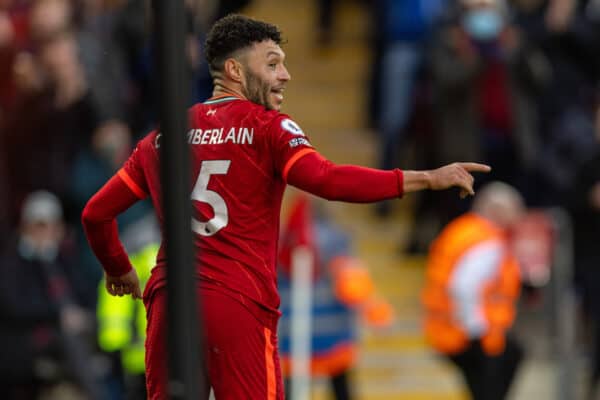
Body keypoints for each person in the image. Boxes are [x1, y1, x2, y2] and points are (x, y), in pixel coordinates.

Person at [81, 14, 490, 399]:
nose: (285, 75)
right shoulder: (269, 128)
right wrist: (426, 178)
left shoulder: (164, 136)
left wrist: (118, 270)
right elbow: (327, 180)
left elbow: (95, 213)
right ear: (236, 72)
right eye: (273, 63)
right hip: (237, 303)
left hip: (170, 301)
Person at [278, 195, 393, 400]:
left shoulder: (282, 241)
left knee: (291, 389)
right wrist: (377, 312)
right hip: (334, 335)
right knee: (341, 387)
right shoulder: (338, 242)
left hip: (291, 335)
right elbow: (352, 285)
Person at [421, 181, 525, 400]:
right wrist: (476, 329)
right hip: (470, 333)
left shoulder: (463, 229)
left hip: (449, 328)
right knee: (490, 387)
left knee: (510, 358)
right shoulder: (486, 240)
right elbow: (463, 287)